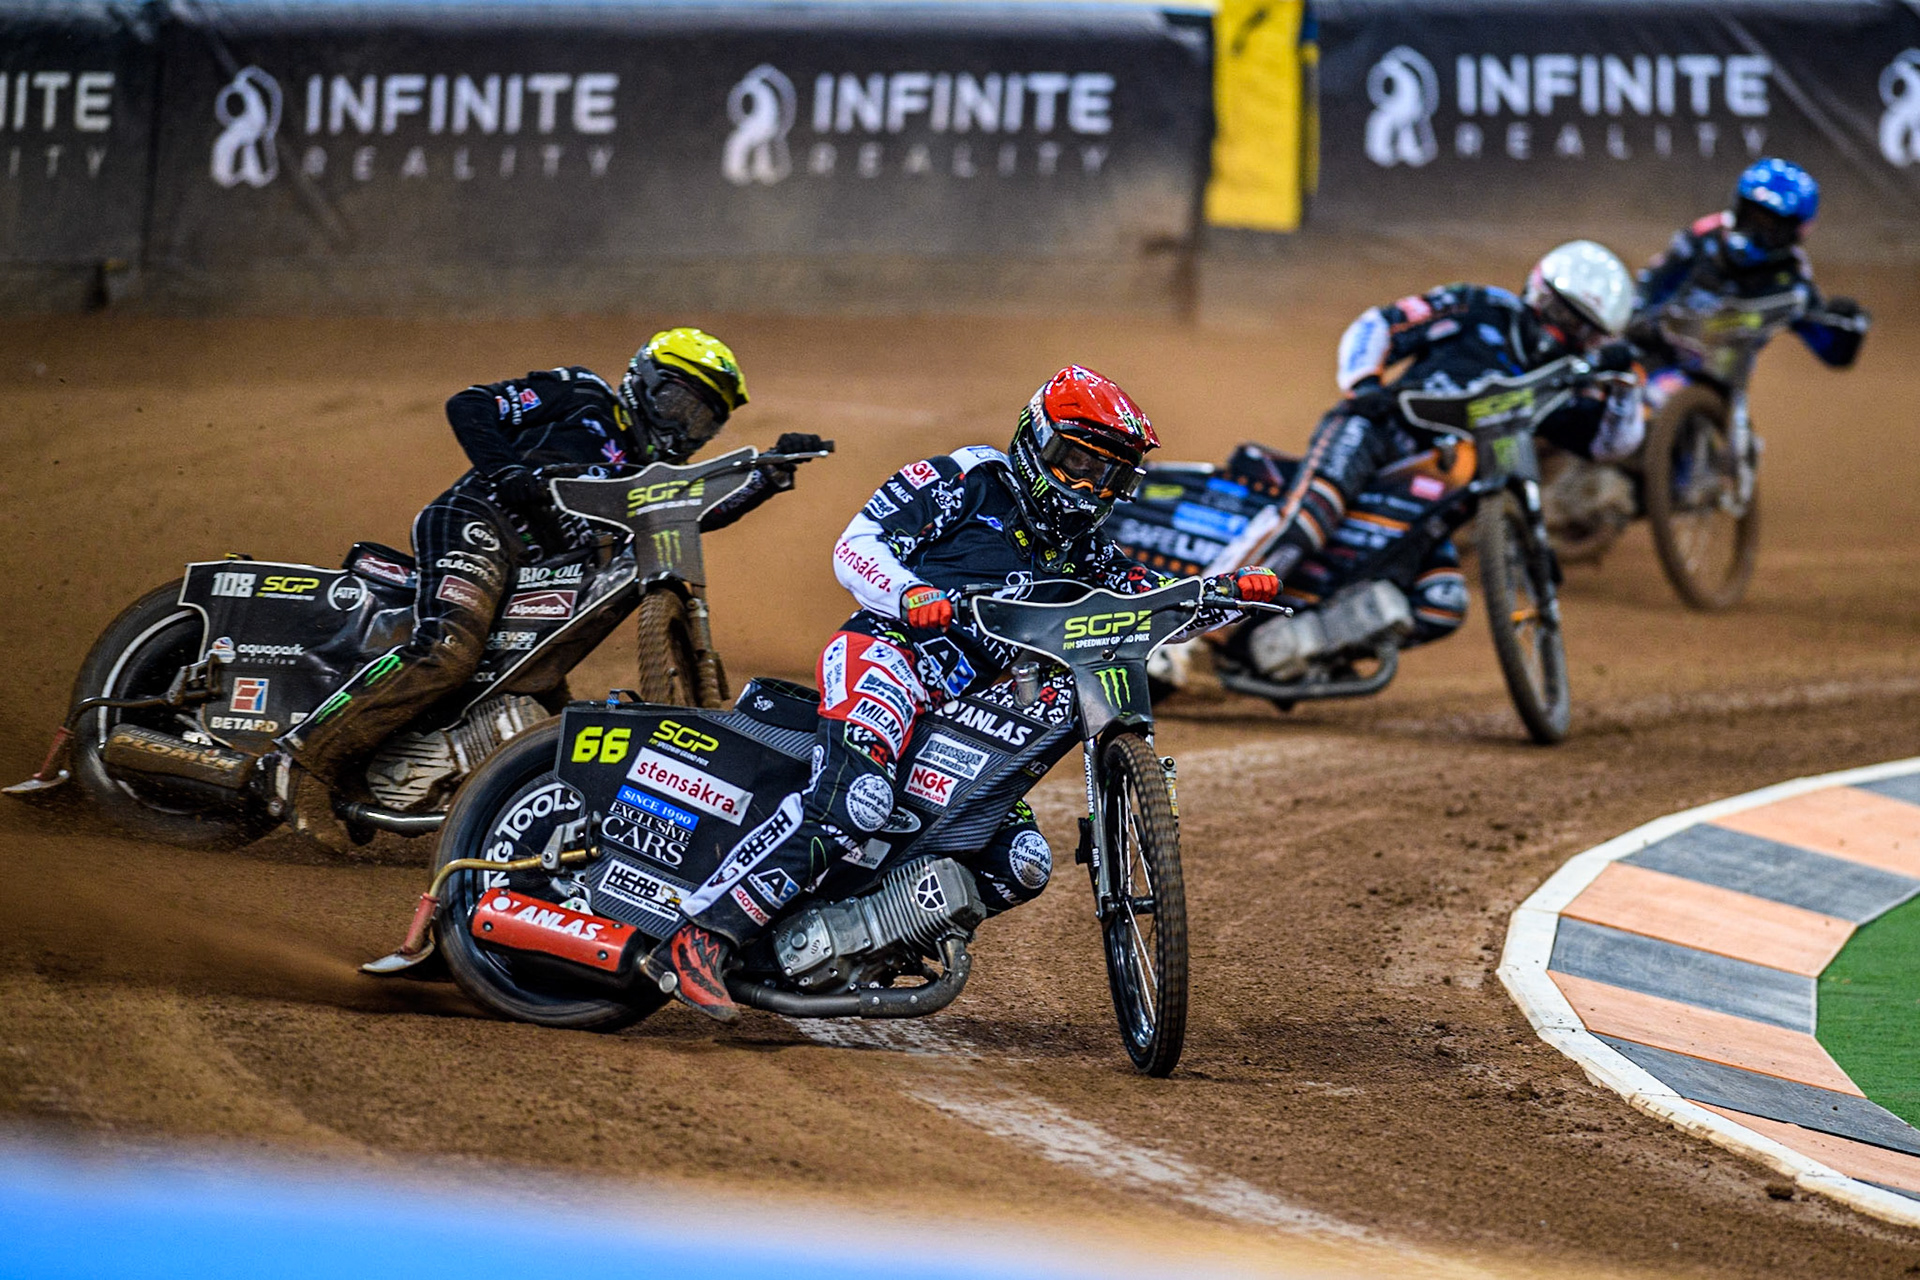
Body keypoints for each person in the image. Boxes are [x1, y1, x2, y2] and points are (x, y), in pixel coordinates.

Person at [637, 365, 1281, 1021]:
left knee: (1021, 862)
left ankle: (866, 938)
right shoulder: (965, 481)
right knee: (856, 801)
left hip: (969, 713)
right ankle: (698, 937)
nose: (1086, 486)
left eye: (1106, 474)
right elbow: (856, 546)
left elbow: (1147, 604)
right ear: (1036, 439)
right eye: (1074, 461)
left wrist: (1229, 597)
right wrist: (910, 594)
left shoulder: (1088, 551)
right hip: (889, 657)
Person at [274, 327, 821, 852]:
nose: (686, 428)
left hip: (544, 571)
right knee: (448, 653)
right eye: (681, 405)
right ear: (644, 382)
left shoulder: (645, 472)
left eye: (702, 422)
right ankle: (307, 766)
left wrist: (769, 478)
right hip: (480, 520)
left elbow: (694, 513)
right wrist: (506, 469)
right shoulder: (581, 394)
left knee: (547, 705)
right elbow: (469, 404)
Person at [1244, 241, 1642, 665]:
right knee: (1309, 518)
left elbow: (1611, 445)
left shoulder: (1563, 385)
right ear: (1537, 292)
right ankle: (1197, 620)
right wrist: (1364, 387)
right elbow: (1379, 325)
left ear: (1597, 340)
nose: (1560, 335)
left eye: (1582, 332)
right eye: (1561, 316)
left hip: (1435, 504)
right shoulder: (1479, 306)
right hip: (1379, 430)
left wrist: (1623, 389)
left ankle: (1292, 650)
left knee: (1443, 605)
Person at [1631, 157, 1868, 378]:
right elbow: (1649, 287)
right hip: (1653, 353)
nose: (1756, 231)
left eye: (1771, 226)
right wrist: (1637, 328)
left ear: (1794, 232)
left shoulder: (1792, 279)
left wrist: (1846, 329)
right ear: (1738, 207)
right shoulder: (1704, 239)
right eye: (1751, 217)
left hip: (1721, 380)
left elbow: (1834, 353)